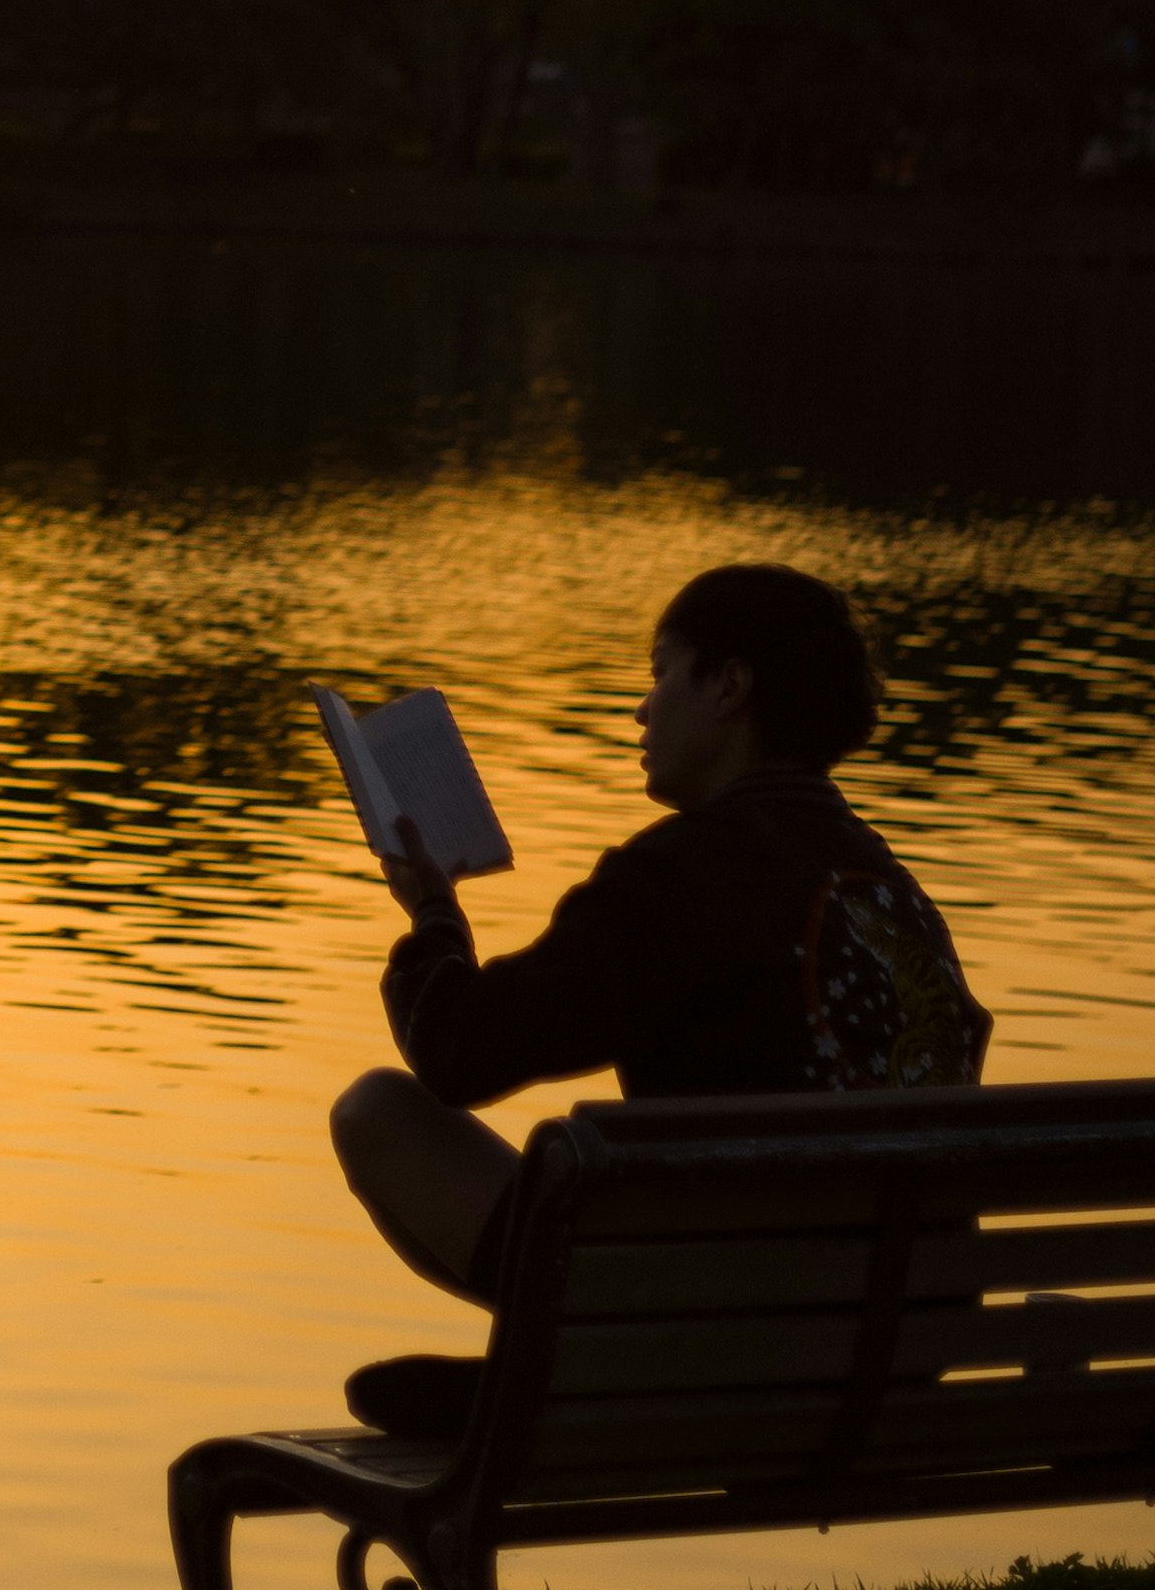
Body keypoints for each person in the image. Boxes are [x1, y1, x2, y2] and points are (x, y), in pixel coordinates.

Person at [329, 560, 989, 1425]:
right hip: (896, 1345)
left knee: (377, 1111)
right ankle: (567, 1368)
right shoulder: (893, 889)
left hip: (737, 1347)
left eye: (660, 673)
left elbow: (459, 1054)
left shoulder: (684, 874)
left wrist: (433, 920)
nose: (643, 709)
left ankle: (565, 1374)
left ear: (728, 686)